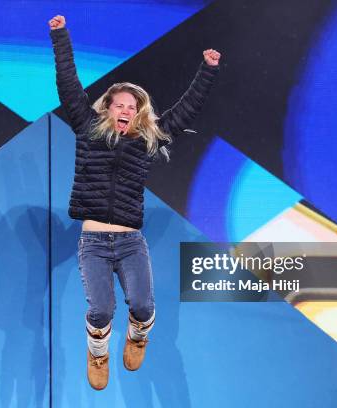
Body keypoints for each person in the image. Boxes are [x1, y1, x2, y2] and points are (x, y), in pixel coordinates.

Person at [49, 14, 220, 390]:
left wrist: (207, 69)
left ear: (138, 113)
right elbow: (68, 84)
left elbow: (185, 111)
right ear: (107, 108)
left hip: (130, 243)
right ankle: (98, 353)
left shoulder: (145, 142)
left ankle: (138, 336)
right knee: (102, 310)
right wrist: (60, 35)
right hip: (93, 243)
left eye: (132, 107)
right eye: (120, 105)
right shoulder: (87, 130)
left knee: (142, 307)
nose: (126, 110)